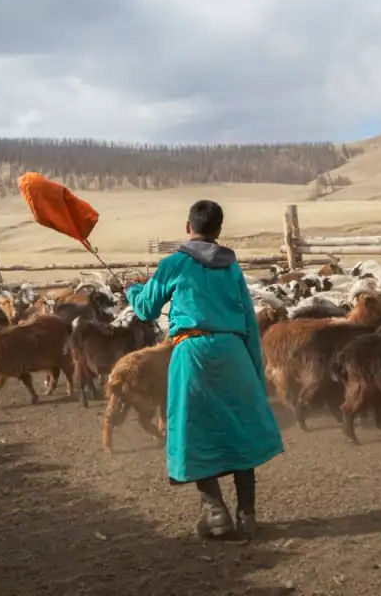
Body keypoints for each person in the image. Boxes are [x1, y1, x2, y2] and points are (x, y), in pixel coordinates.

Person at [126, 199, 284, 540]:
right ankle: (248, 516)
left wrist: (132, 289)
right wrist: (255, 371)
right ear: (219, 230)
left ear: (188, 227)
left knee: (193, 428)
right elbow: (248, 321)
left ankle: (216, 515)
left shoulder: (175, 263)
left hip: (192, 350)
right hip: (234, 350)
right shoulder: (231, 266)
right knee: (239, 424)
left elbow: (146, 308)